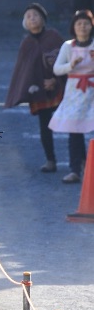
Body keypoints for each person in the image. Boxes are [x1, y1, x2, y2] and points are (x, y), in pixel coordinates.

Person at [5, 3, 66, 173]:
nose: (32, 18)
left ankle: (79, 162)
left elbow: (65, 59)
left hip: (60, 86)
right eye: (29, 16)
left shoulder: (54, 37)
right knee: (44, 126)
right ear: (25, 22)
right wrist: (34, 87)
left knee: (71, 123)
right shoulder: (26, 44)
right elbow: (24, 72)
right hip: (39, 91)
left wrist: (55, 79)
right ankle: (51, 160)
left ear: (43, 19)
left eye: (36, 15)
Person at [48, 10, 94, 183]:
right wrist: (71, 65)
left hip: (92, 90)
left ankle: (89, 167)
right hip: (75, 91)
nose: (82, 27)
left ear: (91, 26)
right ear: (74, 27)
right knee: (75, 130)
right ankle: (76, 169)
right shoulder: (68, 46)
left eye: (86, 23)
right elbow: (57, 69)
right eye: (79, 24)